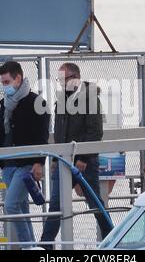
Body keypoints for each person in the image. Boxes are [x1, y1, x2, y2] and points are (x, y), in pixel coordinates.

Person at [40, 62, 113, 249]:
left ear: (76, 77)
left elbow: (95, 131)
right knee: (56, 205)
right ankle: (45, 246)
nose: (61, 83)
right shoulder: (63, 99)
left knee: (95, 203)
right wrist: (56, 159)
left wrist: (84, 157)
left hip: (85, 162)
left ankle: (113, 238)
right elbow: (59, 133)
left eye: (64, 79)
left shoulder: (90, 98)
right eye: (59, 80)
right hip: (64, 160)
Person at [0, 61, 50, 247]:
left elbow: (42, 137)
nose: (5, 86)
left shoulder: (38, 102)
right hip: (8, 166)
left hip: (26, 164)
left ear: (18, 78)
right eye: (3, 82)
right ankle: (32, 246)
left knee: (11, 205)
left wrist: (39, 162)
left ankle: (27, 246)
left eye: (6, 82)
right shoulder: (5, 104)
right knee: (20, 207)